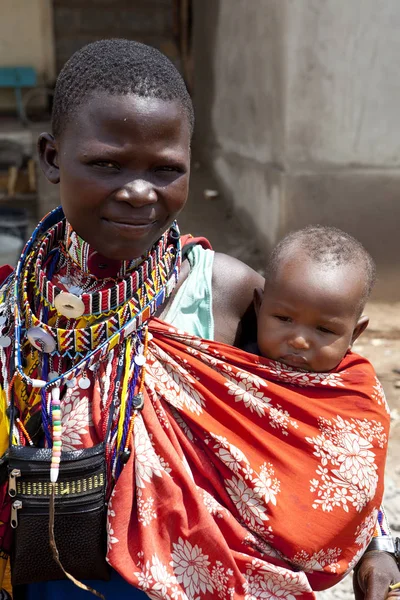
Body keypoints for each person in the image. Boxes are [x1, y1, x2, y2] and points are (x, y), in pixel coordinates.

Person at [0, 39, 396, 600]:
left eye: (166, 169)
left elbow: (327, 422)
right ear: (51, 157)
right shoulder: (14, 303)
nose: (138, 191)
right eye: (106, 163)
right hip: (47, 579)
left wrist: (376, 545)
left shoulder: (225, 292)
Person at [252, 225, 374, 372]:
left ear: (354, 334)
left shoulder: (356, 390)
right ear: (259, 306)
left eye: (324, 329)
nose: (299, 342)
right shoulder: (228, 366)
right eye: (284, 319)